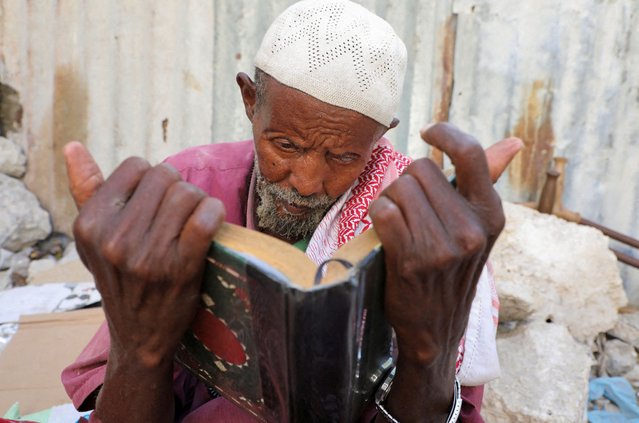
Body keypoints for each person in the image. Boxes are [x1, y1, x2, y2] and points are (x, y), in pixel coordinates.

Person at [61, 1, 523, 422]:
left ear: (380, 136)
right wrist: (139, 343)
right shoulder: (193, 183)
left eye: (344, 157)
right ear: (250, 100)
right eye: (284, 145)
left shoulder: (415, 227)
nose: (305, 181)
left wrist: (430, 349)